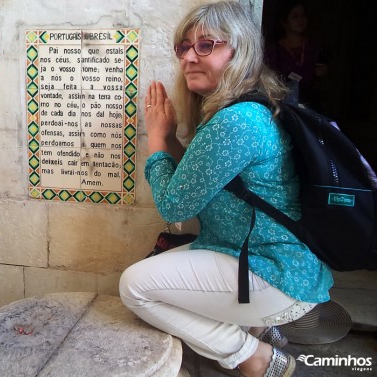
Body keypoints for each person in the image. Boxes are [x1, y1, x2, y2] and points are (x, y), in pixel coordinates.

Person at [119, 2, 333, 377]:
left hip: (271, 269)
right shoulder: (240, 109)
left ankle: (252, 355)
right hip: (261, 259)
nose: (189, 57)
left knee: (134, 287)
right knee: (156, 270)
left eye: (206, 45)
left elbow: (174, 206)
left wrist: (155, 138)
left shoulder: (236, 120)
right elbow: (200, 179)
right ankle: (255, 324)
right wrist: (169, 138)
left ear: (240, 51)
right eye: (184, 47)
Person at [264, 0, 329, 109]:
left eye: (303, 16)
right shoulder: (274, 49)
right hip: (282, 101)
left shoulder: (313, 47)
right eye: (295, 16)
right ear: (283, 22)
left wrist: (323, 73)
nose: (300, 20)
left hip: (309, 102)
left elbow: (320, 80)